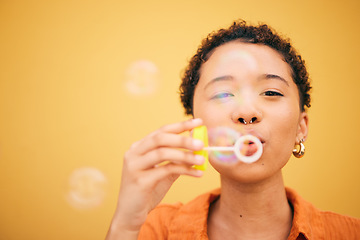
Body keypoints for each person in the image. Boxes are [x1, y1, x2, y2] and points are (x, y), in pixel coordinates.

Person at [106, 20, 360, 240]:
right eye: (223, 94)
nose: (246, 112)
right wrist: (125, 226)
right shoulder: (154, 230)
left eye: (271, 92)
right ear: (196, 127)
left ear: (301, 127)